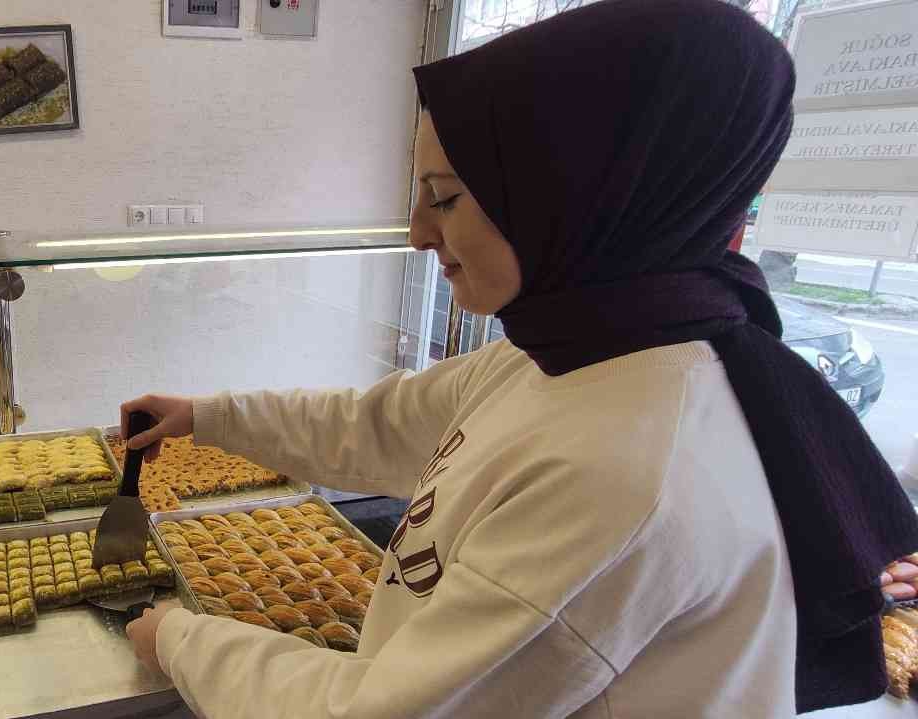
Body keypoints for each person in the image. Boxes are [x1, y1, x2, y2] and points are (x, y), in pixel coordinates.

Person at [119, 0, 918, 716]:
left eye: (445, 197)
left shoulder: (630, 467)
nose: (417, 232)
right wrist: (210, 418)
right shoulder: (571, 349)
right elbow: (377, 427)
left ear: (574, 194)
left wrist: (181, 641)